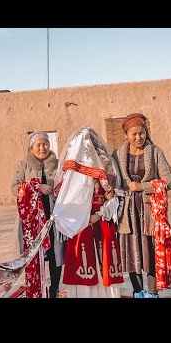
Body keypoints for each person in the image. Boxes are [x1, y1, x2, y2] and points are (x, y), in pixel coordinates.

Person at [112, 112, 171, 298]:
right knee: (132, 253)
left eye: (141, 133)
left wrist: (144, 186)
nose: (138, 137)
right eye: (134, 134)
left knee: (150, 254)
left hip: (150, 212)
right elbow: (111, 179)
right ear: (126, 135)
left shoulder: (155, 152)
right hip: (127, 212)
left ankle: (151, 293)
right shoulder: (117, 154)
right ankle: (137, 292)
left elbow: (170, 181)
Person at [53, 127, 124, 298]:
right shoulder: (71, 173)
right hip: (80, 224)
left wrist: (99, 215)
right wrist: (81, 216)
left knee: (104, 261)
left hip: (101, 222)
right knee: (82, 262)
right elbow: (66, 200)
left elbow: (116, 197)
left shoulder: (107, 167)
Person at [11, 131, 65, 298]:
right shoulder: (23, 164)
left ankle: (54, 288)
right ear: (31, 147)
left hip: (53, 217)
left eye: (45, 144)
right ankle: (37, 289)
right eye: (38, 145)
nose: (43, 148)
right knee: (35, 255)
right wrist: (36, 187)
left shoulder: (59, 164)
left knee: (56, 255)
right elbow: (15, 188)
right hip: (32, 221)